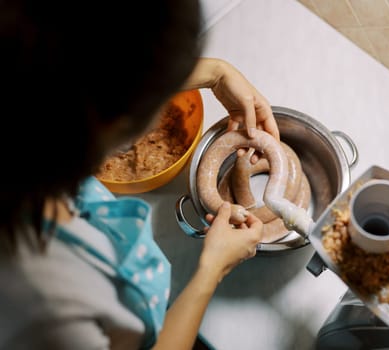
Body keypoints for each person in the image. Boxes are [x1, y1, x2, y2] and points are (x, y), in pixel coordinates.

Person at [0, 0, 280, 349]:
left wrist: (216, 72)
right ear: (115, 122)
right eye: (161, 97)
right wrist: (211, 271)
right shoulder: (51, 300)